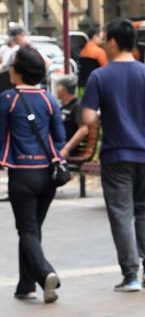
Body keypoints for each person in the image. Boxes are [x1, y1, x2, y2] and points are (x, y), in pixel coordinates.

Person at [81, 19, 145, 293]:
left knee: (121, 213)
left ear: (112, 42)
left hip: (115, 154)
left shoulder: (100, 76)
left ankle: (131, 275)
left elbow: (88, 117)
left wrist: (101, 113)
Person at [0, 47, 65, 303]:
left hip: (22, 175)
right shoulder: (50, 100)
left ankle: (45, 272)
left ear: (19, 71)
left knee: (26, 230)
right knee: (33, 229)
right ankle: (25, 285)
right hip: (48, 176)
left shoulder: (7, 99)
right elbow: (59, 138)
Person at [54, 75, 88, 158]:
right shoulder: (62, 106)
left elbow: (83, 129)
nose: (55, 90)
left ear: (63, 89)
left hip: (64, 147)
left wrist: (66, 149)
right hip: (56, 144)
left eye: (57, 86)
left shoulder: (77, 105)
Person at [0, 26, 29, 92]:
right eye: (23, 35)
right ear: (18, 36)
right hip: (8, 79)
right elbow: (4, 65)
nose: (24, 37)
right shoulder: (15, 49)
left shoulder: (4, 48)